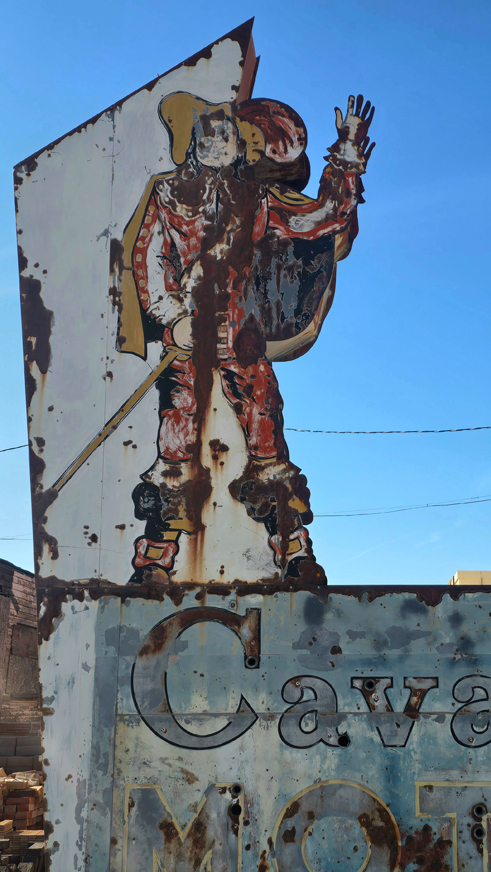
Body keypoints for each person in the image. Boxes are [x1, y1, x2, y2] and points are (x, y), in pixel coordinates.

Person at [113, 91, 375, 583]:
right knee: (176, 437)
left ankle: (293, 551)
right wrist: (172, 318)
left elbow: (323, 219)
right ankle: (156, 560)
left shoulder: (253, 197)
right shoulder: (167, 194)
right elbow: (148, 259)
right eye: (210, 135)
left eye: (227, 136)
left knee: (265, 430)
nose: (220, 143)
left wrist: (345, 159)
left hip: (242, 336)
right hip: (188, 338)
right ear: (193, 142)